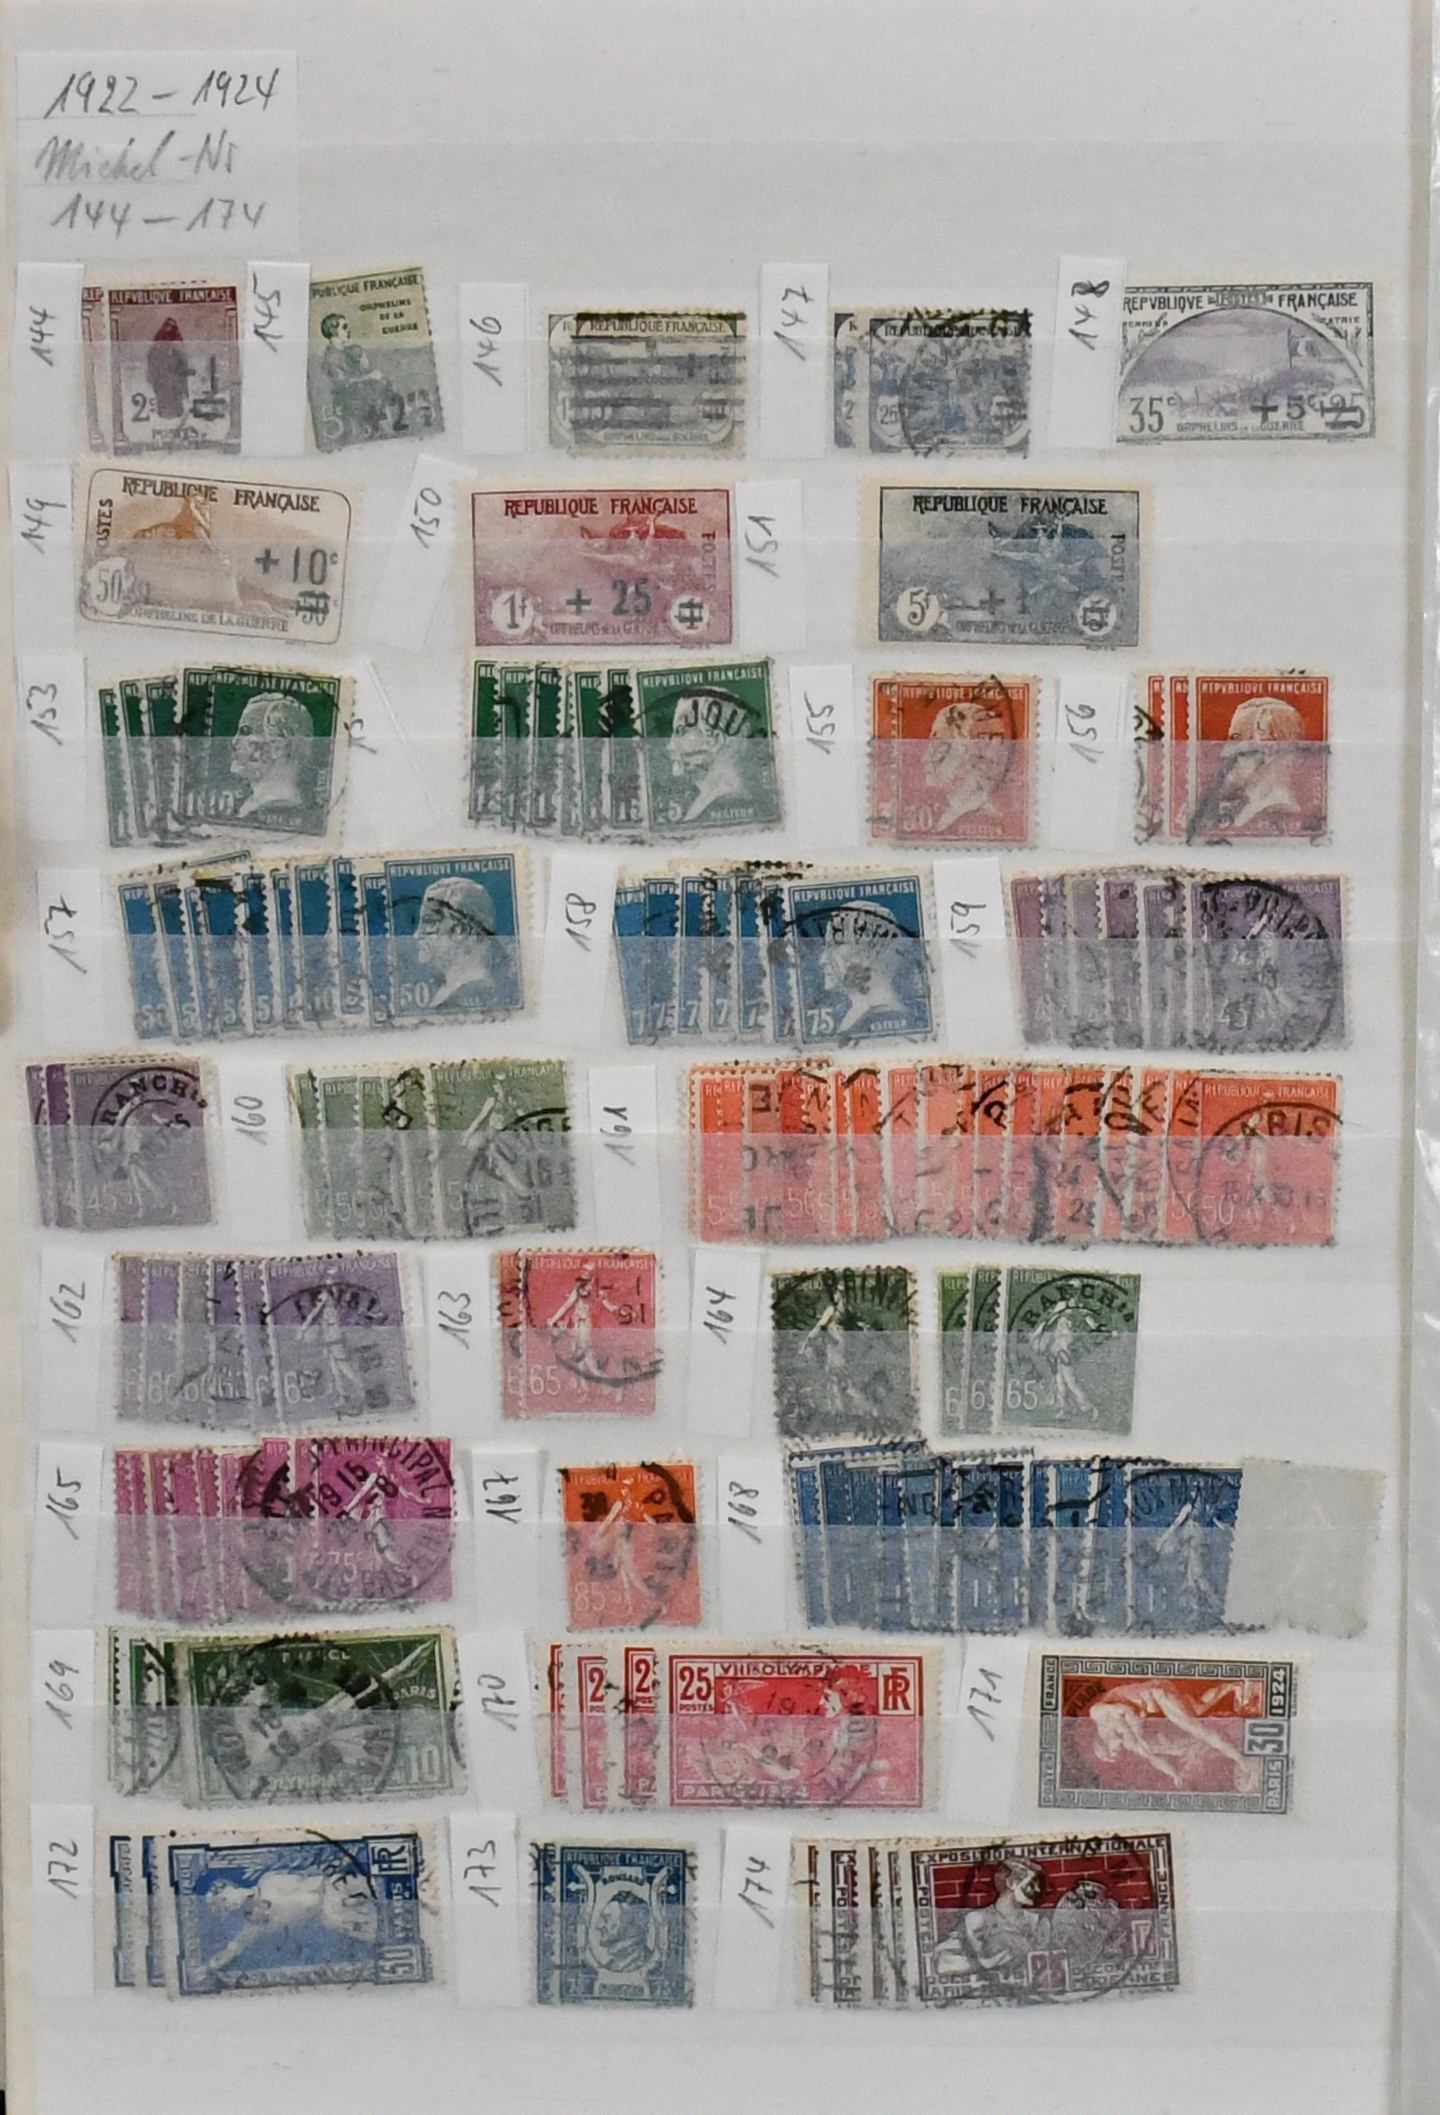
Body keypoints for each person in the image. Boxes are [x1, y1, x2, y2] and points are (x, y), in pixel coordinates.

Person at [200, 1855, 380, 1975]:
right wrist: (209, 1967)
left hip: (333, 1890)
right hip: (334, 1917)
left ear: (230, 1887)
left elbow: (306, 1881)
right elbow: (234, 1948)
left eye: (225, 1898)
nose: (230, 1903)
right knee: (373, 1929)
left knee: (372, 1889)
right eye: (225, 1905)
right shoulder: (255, 1926)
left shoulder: (268, 1882)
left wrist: (331, 1890)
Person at [1086, 1676, 1256, 1787]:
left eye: (1115, 1751)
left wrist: (1137, 1733)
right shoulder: (1125, 1739)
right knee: (1198, 1708)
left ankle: (1242, 1761)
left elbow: (1128, 1711)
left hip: (1157, 1693)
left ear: (1104, 1744)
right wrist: (1174, 1775)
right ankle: (1235, 1686)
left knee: (1199, 1730)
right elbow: (1152, 1757)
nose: (1121, 1749)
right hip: (1160, 1694)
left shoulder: (1096, 1713)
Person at [1199, 694, 1314, 835]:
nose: (1225, 752)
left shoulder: (1273, 814)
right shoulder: (1244, 812)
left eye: (1236, 739)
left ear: (1270, 748)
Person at [812, 899, 914, 1038]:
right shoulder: (854, 1017)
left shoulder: (884, 1016)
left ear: (870, 949)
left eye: (835, 946)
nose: (822, 960)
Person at [413, 874, 510, 1010]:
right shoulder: (447, 993)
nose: (416, 935)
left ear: (461, 930)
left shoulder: (468, 995)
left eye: (429, 922)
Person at [920, 693, 1012, 831]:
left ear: (967, 753)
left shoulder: (975, 814)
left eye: (940, 747)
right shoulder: (951, 808)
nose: (924, 758)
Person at [662, 687, 753, 822]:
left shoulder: (729, 803)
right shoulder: (700, 801)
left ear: (716, 741)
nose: (670, 745)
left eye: (681, 732)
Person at [229, 691, 314, 824]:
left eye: (245, 732)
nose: (234, 742)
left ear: (277, 748)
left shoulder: (280, 808)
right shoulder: (249, 805)